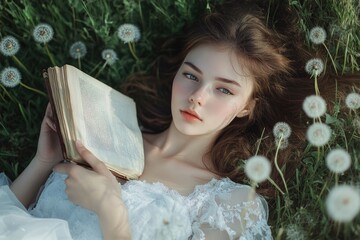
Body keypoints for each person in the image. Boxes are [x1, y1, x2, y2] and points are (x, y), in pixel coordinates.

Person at [0, 0, 359, 239]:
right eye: (191, 75)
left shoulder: (229, 204)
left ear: (247, 106)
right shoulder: (107, 136)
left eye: (224, 90)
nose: (197, 96)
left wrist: (112, 213)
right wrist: (43, 161)